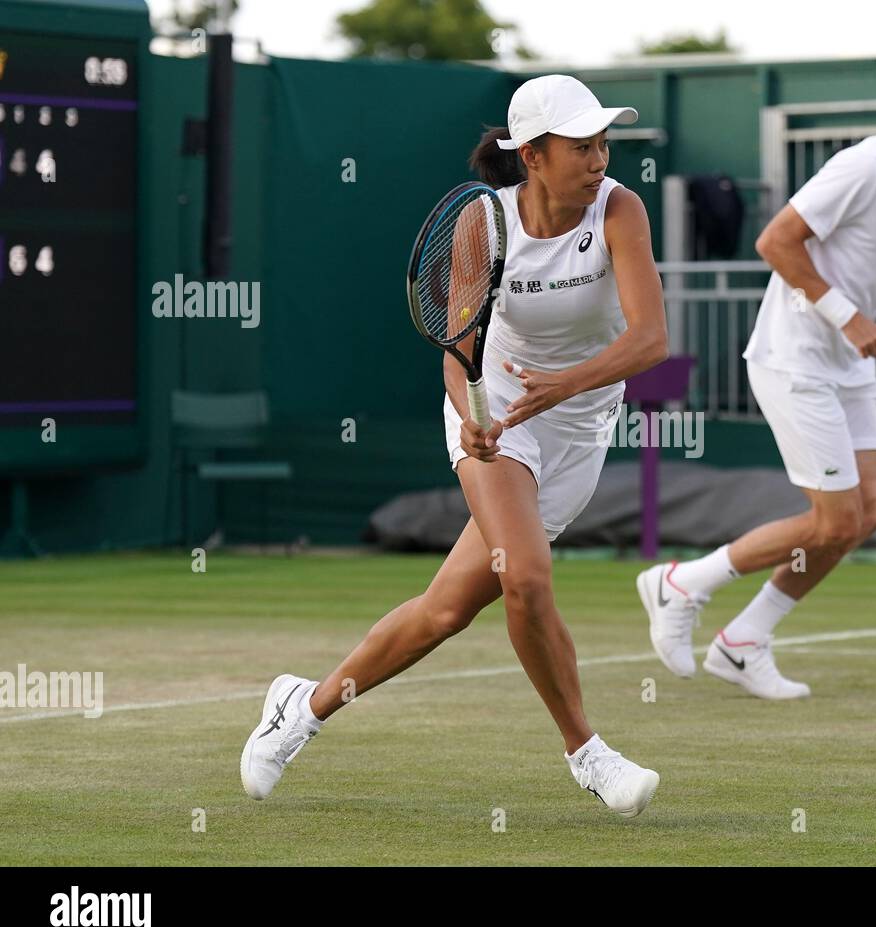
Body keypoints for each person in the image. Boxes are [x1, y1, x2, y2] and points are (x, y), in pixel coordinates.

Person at [240, 75, 669, 818]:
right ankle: (588, 754)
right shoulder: (485, 224)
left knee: (445, 611)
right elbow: (455, 344)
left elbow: (650, 339)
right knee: (527, 578)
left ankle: (299, 708)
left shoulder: (620, 208)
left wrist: (563, 388)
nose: (599, 159)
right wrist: (470, 417)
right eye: (581, 146)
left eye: (603, 143)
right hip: (500, 414)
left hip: (580, 420)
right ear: (532, 156)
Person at [636, 55, 876, 699]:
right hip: (793, 356)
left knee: (864, 515)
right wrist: (850, 318)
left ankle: (743, 642)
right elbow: (776, 242)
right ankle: (681, 582)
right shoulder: (866, 166)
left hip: (846, 363)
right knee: (832, 521)